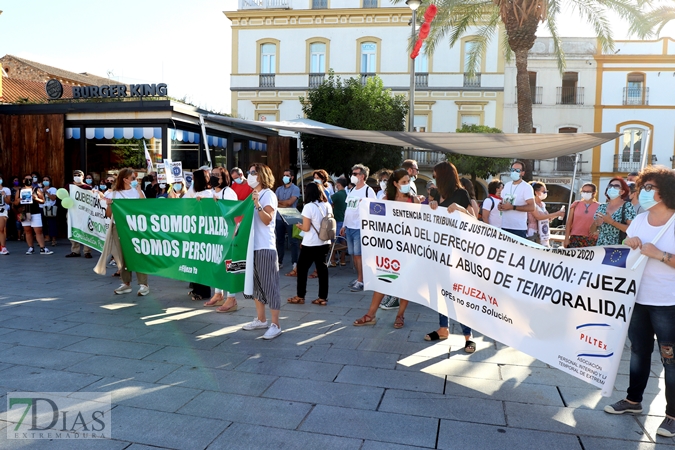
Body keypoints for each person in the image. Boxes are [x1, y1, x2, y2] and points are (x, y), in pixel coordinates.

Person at [604, 165, 675, 438]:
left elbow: (660, 255)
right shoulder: (640, 219)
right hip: (638, 298)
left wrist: (660, 255)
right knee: (638, 352)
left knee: (670, 359)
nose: (643, 192)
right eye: (642, 187)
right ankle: (633, 401)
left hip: (668, 303)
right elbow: (628, 245)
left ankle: (672, 415)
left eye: (649, 188)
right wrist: (629, 240)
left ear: (665, 192)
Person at [353, 169, 419, 328]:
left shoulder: (414, 200)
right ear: (395, 184)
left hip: (408, 249)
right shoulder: (386, 199)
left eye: (408, 181)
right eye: (403, 182)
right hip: (390, 249)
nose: (407, 185)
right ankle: (371, 315)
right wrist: (365, 207)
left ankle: (400, 316)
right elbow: (376, 218)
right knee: (383, 280)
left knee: (406, 284)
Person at [427, 161, 475, 351]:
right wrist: (432, 205)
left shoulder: (461, 194)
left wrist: (461, 209)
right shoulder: (438, 194)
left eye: (436, 174)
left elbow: (473, 221)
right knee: (441, 290)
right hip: (439, 248)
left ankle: (468, 335)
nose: (434, 177)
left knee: (458, 292)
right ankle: (443, 328)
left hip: (457, 250)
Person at [241, 163, 283, 340]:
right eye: (248, 172)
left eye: (252, 172)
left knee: (269, 286)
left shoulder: (269, 195)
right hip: (253, 246)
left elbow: (267, 220)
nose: (249, 175)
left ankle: (276, 324)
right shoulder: (253, 194)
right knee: (256, 286)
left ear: (261, 175)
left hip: (265, 246)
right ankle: (261, 319)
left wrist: (258, 204)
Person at [104, 168, 150, 296]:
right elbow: (108, 215)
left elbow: (145, 207)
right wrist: (109, 205)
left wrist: (140, 191)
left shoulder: (136, 193)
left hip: (135, 227)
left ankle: (143, 284)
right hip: (119, 228)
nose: (135, 180)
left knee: (138, 254)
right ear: (125, 179)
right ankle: (126, 283)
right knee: (122, 255)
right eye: (133, 178)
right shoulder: (114, 194)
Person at [287, 182, 333, 306]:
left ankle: (300, 296)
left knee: (302, 269)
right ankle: (322, 297)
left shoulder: (308, 207)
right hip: (325, 241)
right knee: (322, 269)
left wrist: (298, 225)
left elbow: (306, 228)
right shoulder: (327, 205)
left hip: (311, 242)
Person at [204, 168, 241, 313]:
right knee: (216, 263)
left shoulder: (228, 192)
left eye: (217, 176)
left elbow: (233, 212)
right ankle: (218, 293)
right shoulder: (211, 192)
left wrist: (219, 204)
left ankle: (231, 297)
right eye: (212, 175)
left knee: (229, 264)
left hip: (228, 232)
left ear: (224, 178)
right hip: (215, 233)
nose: (213, 177)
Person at [341, 163, 376, 292]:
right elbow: (348, 209)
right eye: (352, 173)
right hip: (349, 227)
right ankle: (359, 278)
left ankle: (361, 280)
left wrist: (365, 205)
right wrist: (344, 225)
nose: (352, 176)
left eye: (355, 174)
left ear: (362, 176)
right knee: (353, 255)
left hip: (360, 228)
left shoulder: (368, 190)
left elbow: (375, 208)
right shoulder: (351, 190)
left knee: (359, 255)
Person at [182, 169, 215, 301]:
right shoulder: (194, 191)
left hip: (203, 232)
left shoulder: (208, 194)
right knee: (194, 259)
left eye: (194, 178)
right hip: (193, 230)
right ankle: (196, 287)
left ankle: (204, 291)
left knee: (202, 261)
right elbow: (184, 201)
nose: (192, 181)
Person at [13, 174, 53, 255]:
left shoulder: (36, 189)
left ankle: (42, 248)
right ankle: (30, 247)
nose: (28, 180)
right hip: (24, 212)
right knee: (27, 231)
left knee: (38, 230)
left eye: (30, 179)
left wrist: (36, 198)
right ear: (23, 181)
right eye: (26, 179)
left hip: (35, 212)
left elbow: (43, 201)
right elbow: (15, 203)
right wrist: (18, 200)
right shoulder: (20, 191)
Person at [591, 178, 635, 246]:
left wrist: (611, 222)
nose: (612, 188)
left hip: (618, 248)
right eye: (610, 186)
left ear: (622, 191)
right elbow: (592, 231)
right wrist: (595, 223)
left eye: (616, 186)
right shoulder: (602, 206)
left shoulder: (627, 206)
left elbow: (632, 229)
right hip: (601, 247)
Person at [498, 160, 535, 238]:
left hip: (518, 228)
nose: (514, 172)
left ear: (522, 173)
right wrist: (500, 206)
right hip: (505, 226)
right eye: (512, 170)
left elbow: (532, 207)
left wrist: (513, 207)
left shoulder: (526, 187)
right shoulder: (507, 185)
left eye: (517, 170)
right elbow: (502, 201)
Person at [276, 169, 301, 274]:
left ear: (292, 177)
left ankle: (294, 262)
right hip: (279, 217)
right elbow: (275, 202)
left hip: (291, 217)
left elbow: (290, 203)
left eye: (287, 175)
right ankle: (279, 261)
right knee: (279, 240)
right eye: (284, 175)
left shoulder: (296, 189)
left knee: (293, 241)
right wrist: (283, 203)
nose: (285, 177)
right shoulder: (278, 189)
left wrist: (280, 203)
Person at [66, 170, 94, 258]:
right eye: (75, 175)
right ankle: (75, 251)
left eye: (79, 175)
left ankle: (87, 251)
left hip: (85, 212)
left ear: (83, 177)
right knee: (73, 229)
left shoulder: (88, 187)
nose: (77, 176)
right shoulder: (69, 186)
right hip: (72, 211)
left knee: (87, 229)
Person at [526, 182, 564, 247]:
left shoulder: (543, 205)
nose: (545, 193)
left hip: (544, 232)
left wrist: (559, 214)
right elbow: (539, 217)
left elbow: (548, 218)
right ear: (536, 192)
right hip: (533, 232)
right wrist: (556, 213)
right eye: (544, 191)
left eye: (546, 191)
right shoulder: (532, 204)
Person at [564, 182, 600, 248]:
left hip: (591, 239)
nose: (585, 193)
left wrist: (598, 232)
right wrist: (566, 238)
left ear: (594, 193)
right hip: (575, 237)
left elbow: (601, 224)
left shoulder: (599, 206)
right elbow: (569, 222)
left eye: (588, 191)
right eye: (583, 191)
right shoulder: (575, 204)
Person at [329, 177, 348, 267]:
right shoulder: (346, 194)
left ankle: (332, 260)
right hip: (343, 219)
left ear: (338, 185)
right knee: (343, 240)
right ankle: (342, 260)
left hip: (336, 219)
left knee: (333, 240)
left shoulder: (337, 194)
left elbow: (329, 203)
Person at [41, 175, 58, 247]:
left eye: (47, 180)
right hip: (42, 207)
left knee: (52, 223)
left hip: (50, 207)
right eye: (44, 180)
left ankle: (53, 239)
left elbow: (53, 198)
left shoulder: (53, 189)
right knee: (43, 223)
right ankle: (45, 238)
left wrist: (46, 192)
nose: (45, 181)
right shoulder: (39, 189)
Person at [0, 174, 10, 254]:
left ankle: (3, 247)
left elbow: (8, 201)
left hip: (2, 211)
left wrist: (4, 195)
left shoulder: (6, 189)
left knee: (1, 229)